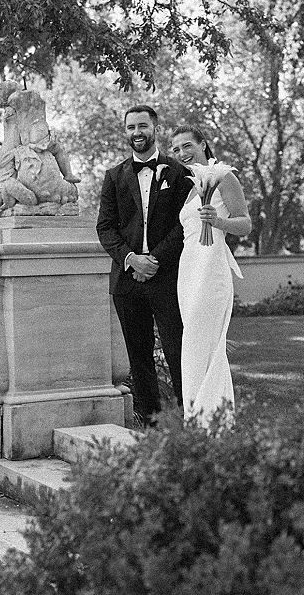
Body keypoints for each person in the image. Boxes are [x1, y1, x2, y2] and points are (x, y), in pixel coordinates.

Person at [96, 106, 193, 425]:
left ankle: (188, 416)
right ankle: (150, 422)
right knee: (138, 357)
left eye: (143, 126)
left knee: (178, 350)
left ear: (155, 128)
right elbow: (105, 227)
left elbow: (184, 224)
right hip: (127, 282)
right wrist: (131, 259)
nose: (136, 132)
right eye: (130, 127)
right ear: (125, 132)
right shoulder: (113, 177)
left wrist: (155, 260)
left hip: (167, 278)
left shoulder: (178, 172)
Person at [171, 125, 252, 426]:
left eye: (187, 145)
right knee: (193, 344)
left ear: (203, 144)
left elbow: (245, 224)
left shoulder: (224, 177)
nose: (182, 153)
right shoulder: (192, 185)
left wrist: (218, 221)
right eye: (176, 149)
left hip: (211, 269)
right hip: (189, 268)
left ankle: (208, 422)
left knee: (201, 341)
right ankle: (201, 418)